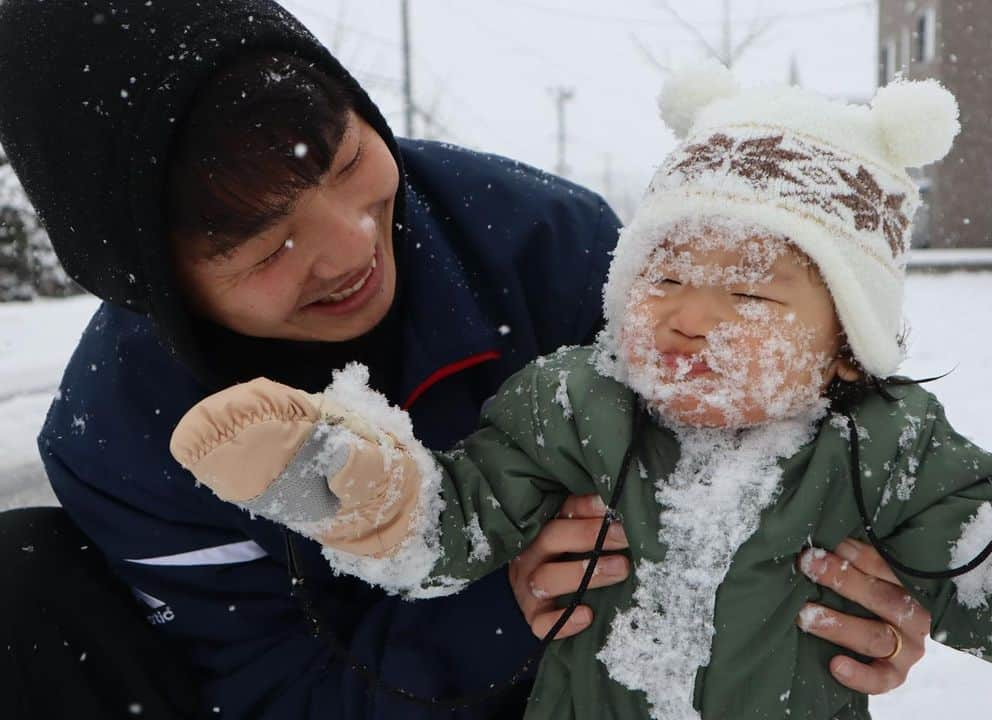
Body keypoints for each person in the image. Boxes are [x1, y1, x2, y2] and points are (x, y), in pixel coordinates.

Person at [0, 2, 936, 717]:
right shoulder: (126, 428)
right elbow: (275, 694)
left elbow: (773, 431)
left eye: (342, 161)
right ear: (148, 276)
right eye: (262, 242)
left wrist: (857, 581)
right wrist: (493, 616)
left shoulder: (549, 246)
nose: (349, 242)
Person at [172, 65, 992, 720]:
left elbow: (981, 586)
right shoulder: (575, 402)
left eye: (751, 295)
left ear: (846, 347)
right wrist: (360, 488)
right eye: (663, 277)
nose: (689, 319)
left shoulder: (885, 444)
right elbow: (459, 525)